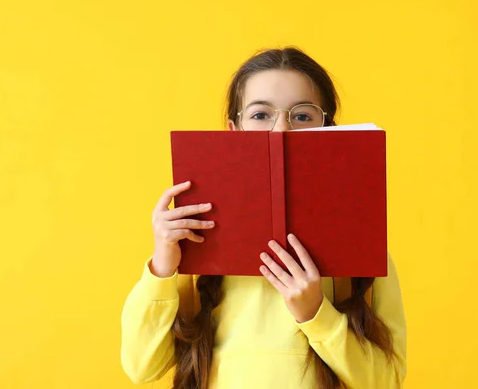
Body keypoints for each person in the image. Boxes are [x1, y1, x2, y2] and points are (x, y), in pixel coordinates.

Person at [120, 47, 407, 389]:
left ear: (328, 129)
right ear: (234, 129)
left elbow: (386, 381)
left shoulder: (366, 250)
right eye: (260, 115)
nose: (280, 130)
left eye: (303, 116)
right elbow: (141, 367)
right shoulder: (193, 245)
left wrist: (315, 313)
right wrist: (163, 268)